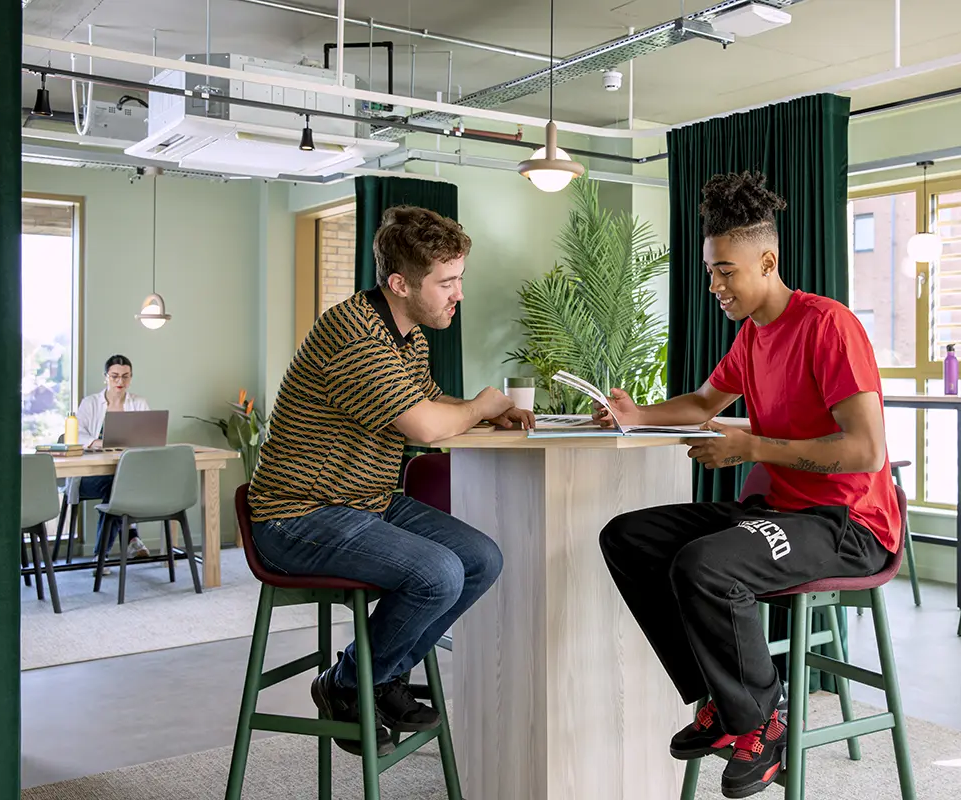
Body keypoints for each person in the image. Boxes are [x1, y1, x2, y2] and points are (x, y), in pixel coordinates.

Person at [595, 172, 900, 799]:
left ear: (768, 260)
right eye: (710, 272)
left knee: (706, 565)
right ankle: (718, 699)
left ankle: (763, 723)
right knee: (629, 537)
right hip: (780, 513)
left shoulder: (828, 326)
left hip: (848, 526)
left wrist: (751, 446)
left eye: (725, 271)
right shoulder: (753, 334)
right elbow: (705, 400)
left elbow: (865, 452)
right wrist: (636, 413)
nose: (714, 285)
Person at [247, 205, 529, 756]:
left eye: (459, 280)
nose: (458, 295)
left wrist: (479, 412)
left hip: (364, 501)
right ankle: (349, 684)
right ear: (400, 283)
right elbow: (425, 424)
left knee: (481, 559)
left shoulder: (407, 334)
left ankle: (382, 676)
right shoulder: (356, 335)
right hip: (297, 515)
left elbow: (426, 401)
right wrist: (481, 404)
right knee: (438, 574)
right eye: (446, 282)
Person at [73, 354, 152, 560]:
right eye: (115, 376)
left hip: (129, 474)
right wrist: (99, 442)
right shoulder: (90, 403)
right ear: (105, 377)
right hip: (89, 477)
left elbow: (150, 436)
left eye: (125, 377)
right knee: (117, 486)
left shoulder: (139, 403)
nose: (120, 382)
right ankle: (128, 540)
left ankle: (106, 553)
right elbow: (76, 435)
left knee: (120, 484)